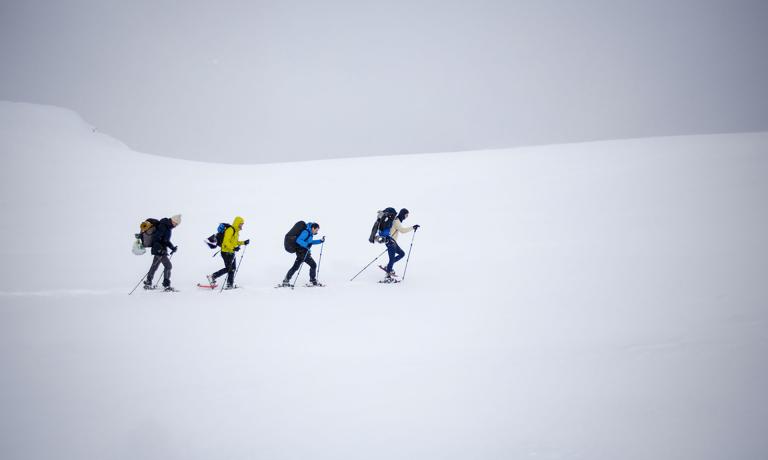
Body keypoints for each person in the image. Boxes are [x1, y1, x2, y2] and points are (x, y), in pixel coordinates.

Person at [207, 216, 249, 289]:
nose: (242, 225)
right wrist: (234, 248)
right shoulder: (230, 230)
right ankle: (212, 276)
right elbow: (226, 242)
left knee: (232, 269)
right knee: (229, 268)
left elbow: (235, 242)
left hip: (231, 252)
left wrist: (244, 242)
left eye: (242, 224)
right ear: (237, 223)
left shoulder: (236, 232)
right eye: (241, 224)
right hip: (226, 252)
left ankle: (230, 284)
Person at [144, 214, 181, 291]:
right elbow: (156, 238)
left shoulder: (168, 228)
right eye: (176, 223)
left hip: (160, 250)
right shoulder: (163, 226)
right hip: (159, 250)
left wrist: (172, 247)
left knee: (154, 266)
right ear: (173, 221)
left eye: (177, 224)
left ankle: (148, 282)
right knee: (168, 266)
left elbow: (165, 241)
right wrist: (160, 249)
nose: (176, 225)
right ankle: (166, 285)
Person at [282, 222, 325, 286]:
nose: (317, 231)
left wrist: (320, 241)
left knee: (295, 267)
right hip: (303, 252)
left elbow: (310, 242)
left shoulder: (310, 234)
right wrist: (307, 245)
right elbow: (298, 240)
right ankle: (312, 281)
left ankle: (286, 281)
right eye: (316, 229)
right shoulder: (306, 232)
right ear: (313, 228)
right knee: (313, 265)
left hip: (301, 252)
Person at [384, 208, 419, 279]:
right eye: (406, 215)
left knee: (402, 254)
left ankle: (388, 267)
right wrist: (413, 227)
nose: (406, 217)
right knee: (391, 259)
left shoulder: (397, 220)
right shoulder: (396, 221)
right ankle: (388, 275)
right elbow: (402, 231)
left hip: (393, 242)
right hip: (390, 242)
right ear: (403, 214)